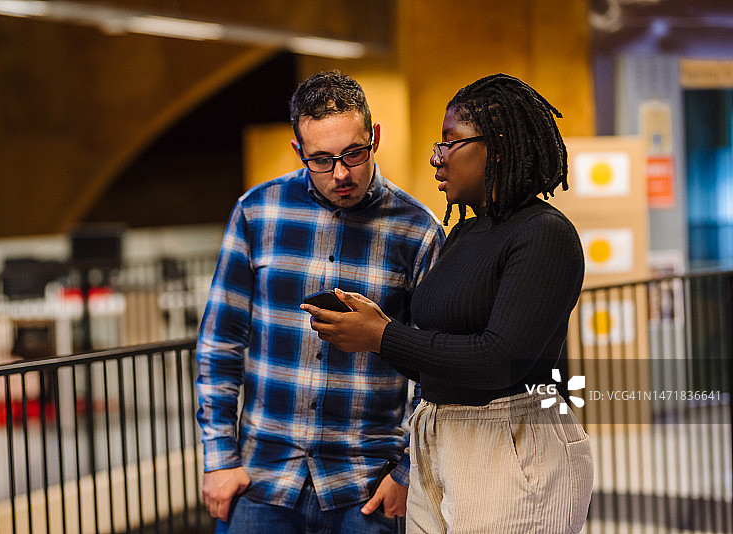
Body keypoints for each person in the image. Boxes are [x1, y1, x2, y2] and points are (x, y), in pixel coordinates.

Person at [301, 73, 593, 533]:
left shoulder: (545, 234)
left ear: (495, 146)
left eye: (449, 143)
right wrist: (378, 328)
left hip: (511, 446)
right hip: (440, 441)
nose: (436, 159)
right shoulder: (464, 233)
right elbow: (439, 357)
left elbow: (499, 361)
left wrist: (383, 336)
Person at [196, 70, 445, 534]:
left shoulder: (419, 231)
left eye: (353, 152)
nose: (342, 173)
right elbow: (220, 343)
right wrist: (218, 459)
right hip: (262, 478)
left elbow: (434, 366)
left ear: (374, 137)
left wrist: (408, 471)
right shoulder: (257, 211)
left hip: (366, 487)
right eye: (322, 159)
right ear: (298, 152)